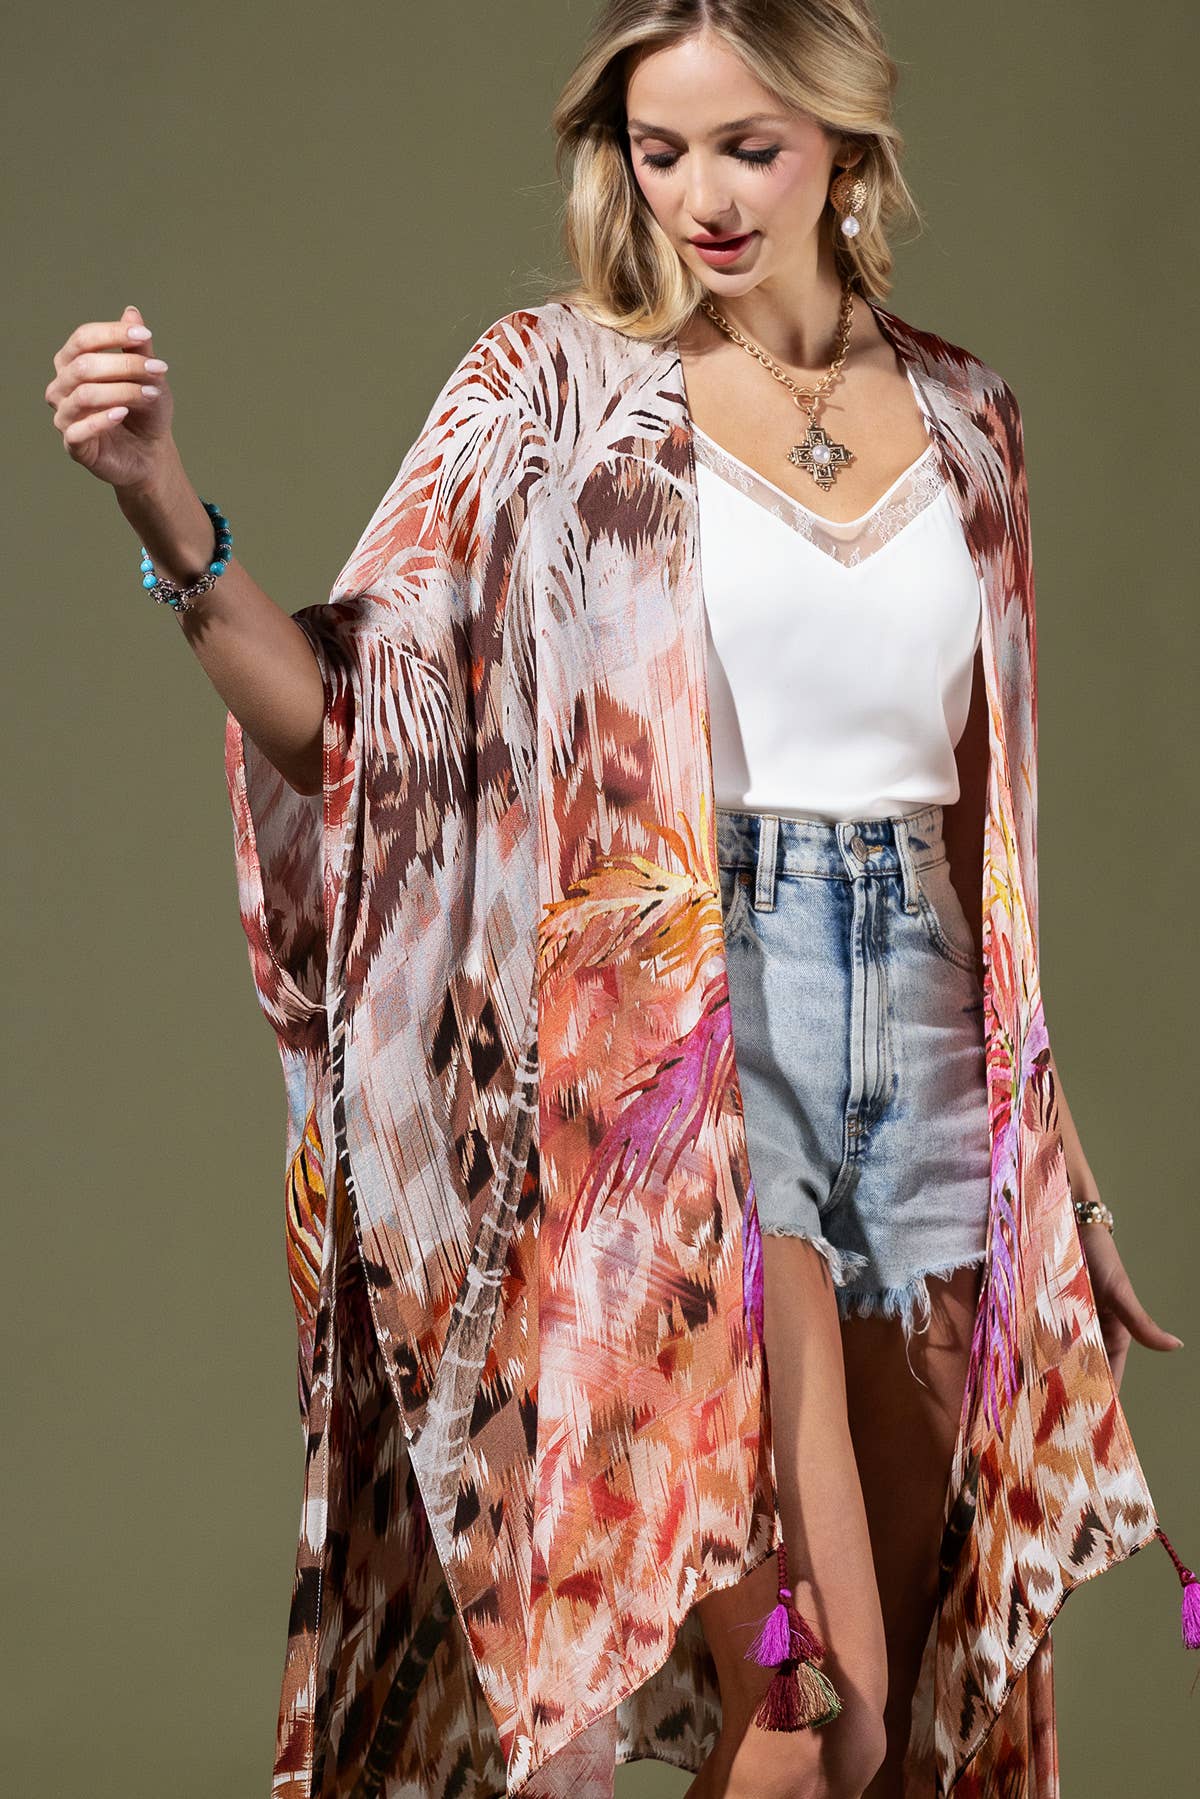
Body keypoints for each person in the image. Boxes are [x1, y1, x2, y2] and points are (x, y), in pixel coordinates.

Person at [46, 4, 1194, 1797]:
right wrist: (162, 506)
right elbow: (354, 727)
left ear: (844, 140)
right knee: (812, 1714)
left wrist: (1069, 1172)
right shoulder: (558, 396)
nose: (704, 197)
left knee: (918, 1731)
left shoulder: (975, 424)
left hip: (934, 1084)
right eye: (661, 153)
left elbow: (998, 845)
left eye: (749, 145)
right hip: (678, 1081)